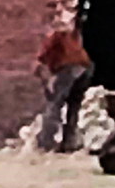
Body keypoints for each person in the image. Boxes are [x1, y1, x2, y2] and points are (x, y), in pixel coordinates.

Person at [32, 21, 93, 153]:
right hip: (85, 69)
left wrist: (44, 77)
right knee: (73, 107)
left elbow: (39, 62)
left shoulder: (53, 37)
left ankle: (46, 142)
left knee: (54, 105)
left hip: (70, 68)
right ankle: (69, 142)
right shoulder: (71, 36)